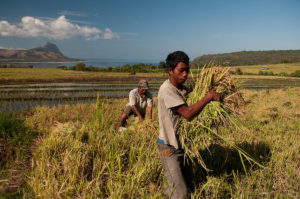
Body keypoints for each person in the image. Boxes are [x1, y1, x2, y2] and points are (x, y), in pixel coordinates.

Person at [157, 51, 221, 198]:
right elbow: (188, 114)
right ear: (170, 71)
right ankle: (164, 191)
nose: (185, 74)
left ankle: (165, 189)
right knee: (181, 194)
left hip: (182, 145)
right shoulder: (166, 90)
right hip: (169, 147)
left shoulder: (184, 89)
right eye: (181, 70)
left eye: (187, 70)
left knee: (190, 185)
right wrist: (208, 97)